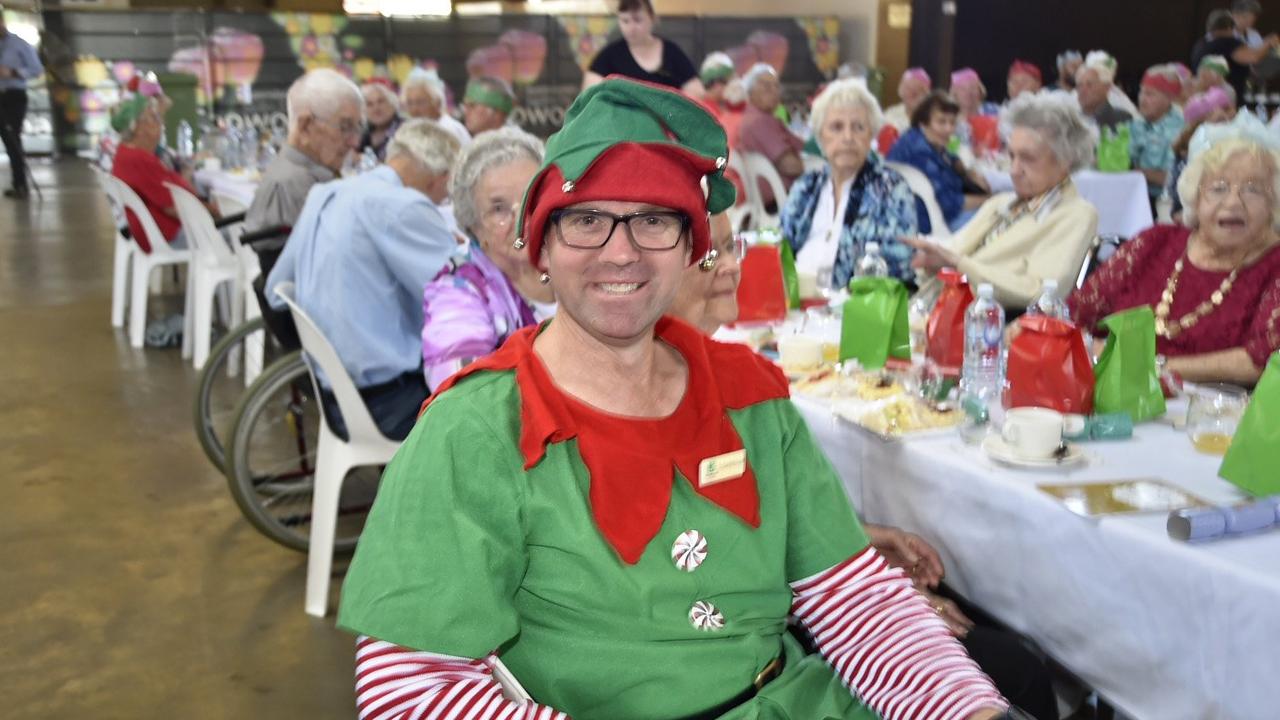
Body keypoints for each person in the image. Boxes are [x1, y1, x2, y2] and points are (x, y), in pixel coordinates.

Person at [338, 75, 1015, 720]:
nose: (621, 252)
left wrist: (970, 708)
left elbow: (850, 599)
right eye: (586, 221)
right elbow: (414, 687)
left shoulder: (748, 394)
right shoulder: (476, 431)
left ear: (694, 245)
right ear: (541, 247)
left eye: (655, 222)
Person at [670, 215, 1058, 720]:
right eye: (710, 252)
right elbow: (693, 573)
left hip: (789, 630)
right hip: (760, 650)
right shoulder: (665, 394)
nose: (731, 266)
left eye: (731, 246)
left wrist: (856, 548)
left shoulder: (737, 383)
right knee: (1013, 667)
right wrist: (856, 595)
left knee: (989, 641)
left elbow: (763, 523)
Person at [266, 119, 461, 441]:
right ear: (438, 178)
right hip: (387, 402)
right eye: (446, 189)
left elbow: (276, 289)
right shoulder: (403, 205)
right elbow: (458, 293)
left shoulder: (327, 192)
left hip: (331, 390)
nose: (443, 200)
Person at [1070, 112, 1280, 386]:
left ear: (1274, 202)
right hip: (1115, 395)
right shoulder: (1155, 243)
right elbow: (1078, 312)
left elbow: (1259, 360)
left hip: (1213, 415)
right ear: (1195, 197)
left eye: (1253, 190)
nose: (1233, 203)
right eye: (1218, 188)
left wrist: (1154, 367)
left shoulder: (1274, 264)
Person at [904, 92, 1099, 311]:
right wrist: (927, 256)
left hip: (985, 326)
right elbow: (953, 249)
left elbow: (1040, 290)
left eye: (1027, 158)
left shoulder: (1075, 214)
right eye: (1011, 155)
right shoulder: (1002, 203)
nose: (1014, 170)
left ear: (1065, 160)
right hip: (936, 308)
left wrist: (958, 264)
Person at [421, 127, 555, 390]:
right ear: (475, 225)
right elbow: (460, 392)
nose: (522, 220)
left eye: (532, 198)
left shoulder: (574, 252)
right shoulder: (458, 288)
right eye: (498, 209)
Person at [781, 79, 918, 287]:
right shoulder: (806, 187)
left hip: (854, 308)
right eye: (836, 127)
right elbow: (780, 250)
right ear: (820, 137)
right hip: (797, 302)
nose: (847, 137)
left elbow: (898, 265)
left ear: (871, 135)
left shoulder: (890, 189)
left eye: (858, 127)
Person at [246, 68, 364, 234]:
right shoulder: (293, 186)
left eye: (357, 128)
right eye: (345, 127)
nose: (354, 141)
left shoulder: (307, 175)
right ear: (306, 126)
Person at [110, 94, 213, 252]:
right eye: (154, 118)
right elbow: (174, 208)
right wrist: (215, 212)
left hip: (154, 229)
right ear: (138, 127)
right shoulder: (138, 159)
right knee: (241, 233)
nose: (161, 123)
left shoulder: (128, 153)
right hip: (167, 233)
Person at [887, 90, 992, 234]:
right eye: (941, 122)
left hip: (935, 216)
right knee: (994, 223)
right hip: (927, 223)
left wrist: (964, 171)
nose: (949, 129)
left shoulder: (923, 140)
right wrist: (990, 200)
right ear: (923, 122)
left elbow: (949, 165)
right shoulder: (918, 152)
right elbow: (949, 203)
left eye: (952, 123)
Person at [581, 0, 702, 97]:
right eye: (625, 21)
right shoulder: (609, 56)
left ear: (652, 18)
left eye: (637, 20)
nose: (631, 27)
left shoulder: (672, 53)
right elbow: (588, 94)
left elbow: (697, 93)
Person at [737, 62, 804, 206]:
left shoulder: (758, 117)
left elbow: (801, 145)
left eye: (776, 86)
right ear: (749, 92)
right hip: (782, 201)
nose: (774, 91)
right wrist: (815, 166)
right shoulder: (760, 121)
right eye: (766, 86)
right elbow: (791, 166)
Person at [1168, 86, 1237, 221]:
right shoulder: (1185, 156)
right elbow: (1178, 210)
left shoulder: (1244, 148)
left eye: (1229, 110)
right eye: (1219, 120)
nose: (1230, 117)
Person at [1191, 9, 1280, 102]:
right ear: (1231, 28)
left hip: (1200, 98)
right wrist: (1269, 42)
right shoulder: (1227, 43)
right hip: (1222, 101)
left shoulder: (1200, 44)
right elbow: (1253, 57)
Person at [0, 8, 43, 200]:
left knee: (12, 138)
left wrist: (14, 73)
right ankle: (18, 183)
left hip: (13, 95)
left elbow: (36, 69)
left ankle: (21, 184)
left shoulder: (19, 44)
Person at [1130, 65, 1185, 201]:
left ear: (1169, 98)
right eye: (1141, 92)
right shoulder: (1137, 123)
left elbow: (1175, 178)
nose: (1142, 99)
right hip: (1134, 195)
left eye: (1149, 94)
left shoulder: (1180, 129)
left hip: (1165, 201)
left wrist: (1138, 173)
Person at [402, 67, 471, 147]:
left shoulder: (449, 129)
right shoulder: (413, 130)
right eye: (409, 103)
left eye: (420, 103)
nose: (414, 110)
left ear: (437, 103)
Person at [878, 67, 931, 153]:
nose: (911, 94)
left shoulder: (934, 117)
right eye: (908, 88)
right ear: (901, 90)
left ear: (926, 94)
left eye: (917, 91)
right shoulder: (891, 114)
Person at [1075, 53, 1132, 133]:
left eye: (1089, 85)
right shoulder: (1070, 120)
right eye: (1079, 85)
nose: (1083, 90)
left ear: (1106, 87)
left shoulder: (1122, 119)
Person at [950, 68, 1001, 157]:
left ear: (980, 91)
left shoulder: (995, 111)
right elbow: (952, 150)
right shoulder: (949, 118)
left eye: (973, 88)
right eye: (962, 89)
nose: (969, 93)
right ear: (954, 93)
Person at [698, 51, 744, 148]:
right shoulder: (701, 109)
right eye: (711, 82)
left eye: (723, 80)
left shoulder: (739, 106)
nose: (718, 86)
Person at [359, 79, 401, 162]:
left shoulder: (405, 130)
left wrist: (361, 159)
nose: (376, 108)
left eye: (381, 101)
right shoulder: (363, 134)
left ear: (393, 103)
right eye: (369, 104)